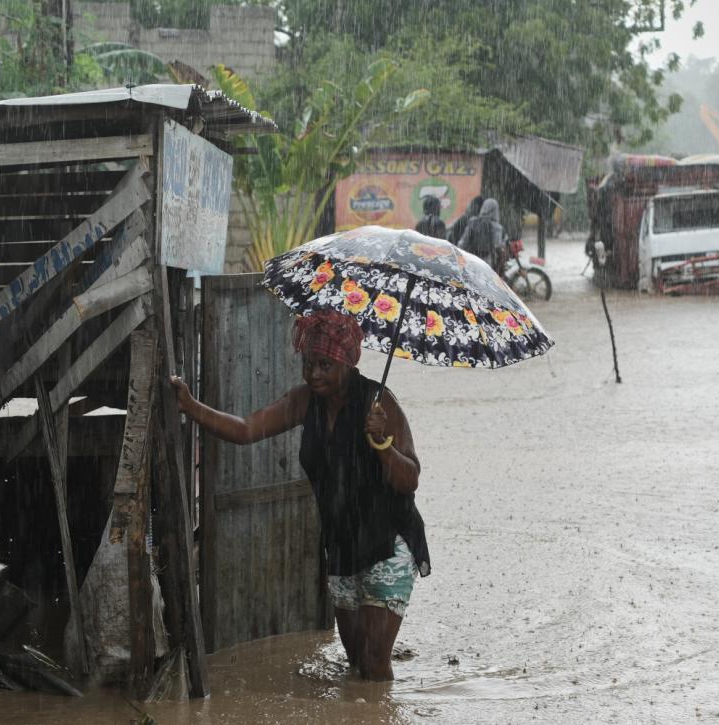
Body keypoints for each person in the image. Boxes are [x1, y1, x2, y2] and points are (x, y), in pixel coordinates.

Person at [170, 311, 430, 681]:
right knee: (355, 661)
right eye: (309, 363)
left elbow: (410, 480)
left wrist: (382, 443)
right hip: (343, 543)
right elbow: (246, 430)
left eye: (325, 364)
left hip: (388, 541)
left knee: (374, 663)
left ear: (348, 361)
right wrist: (190, 406)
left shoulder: (379, 402)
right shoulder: (305, 401)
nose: (314, 374)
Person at [458, 197, 507, 275]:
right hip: (486, 262)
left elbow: (463, 242)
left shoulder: (473, 222)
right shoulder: (496, 227)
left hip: (470, 259)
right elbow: (497, 246)